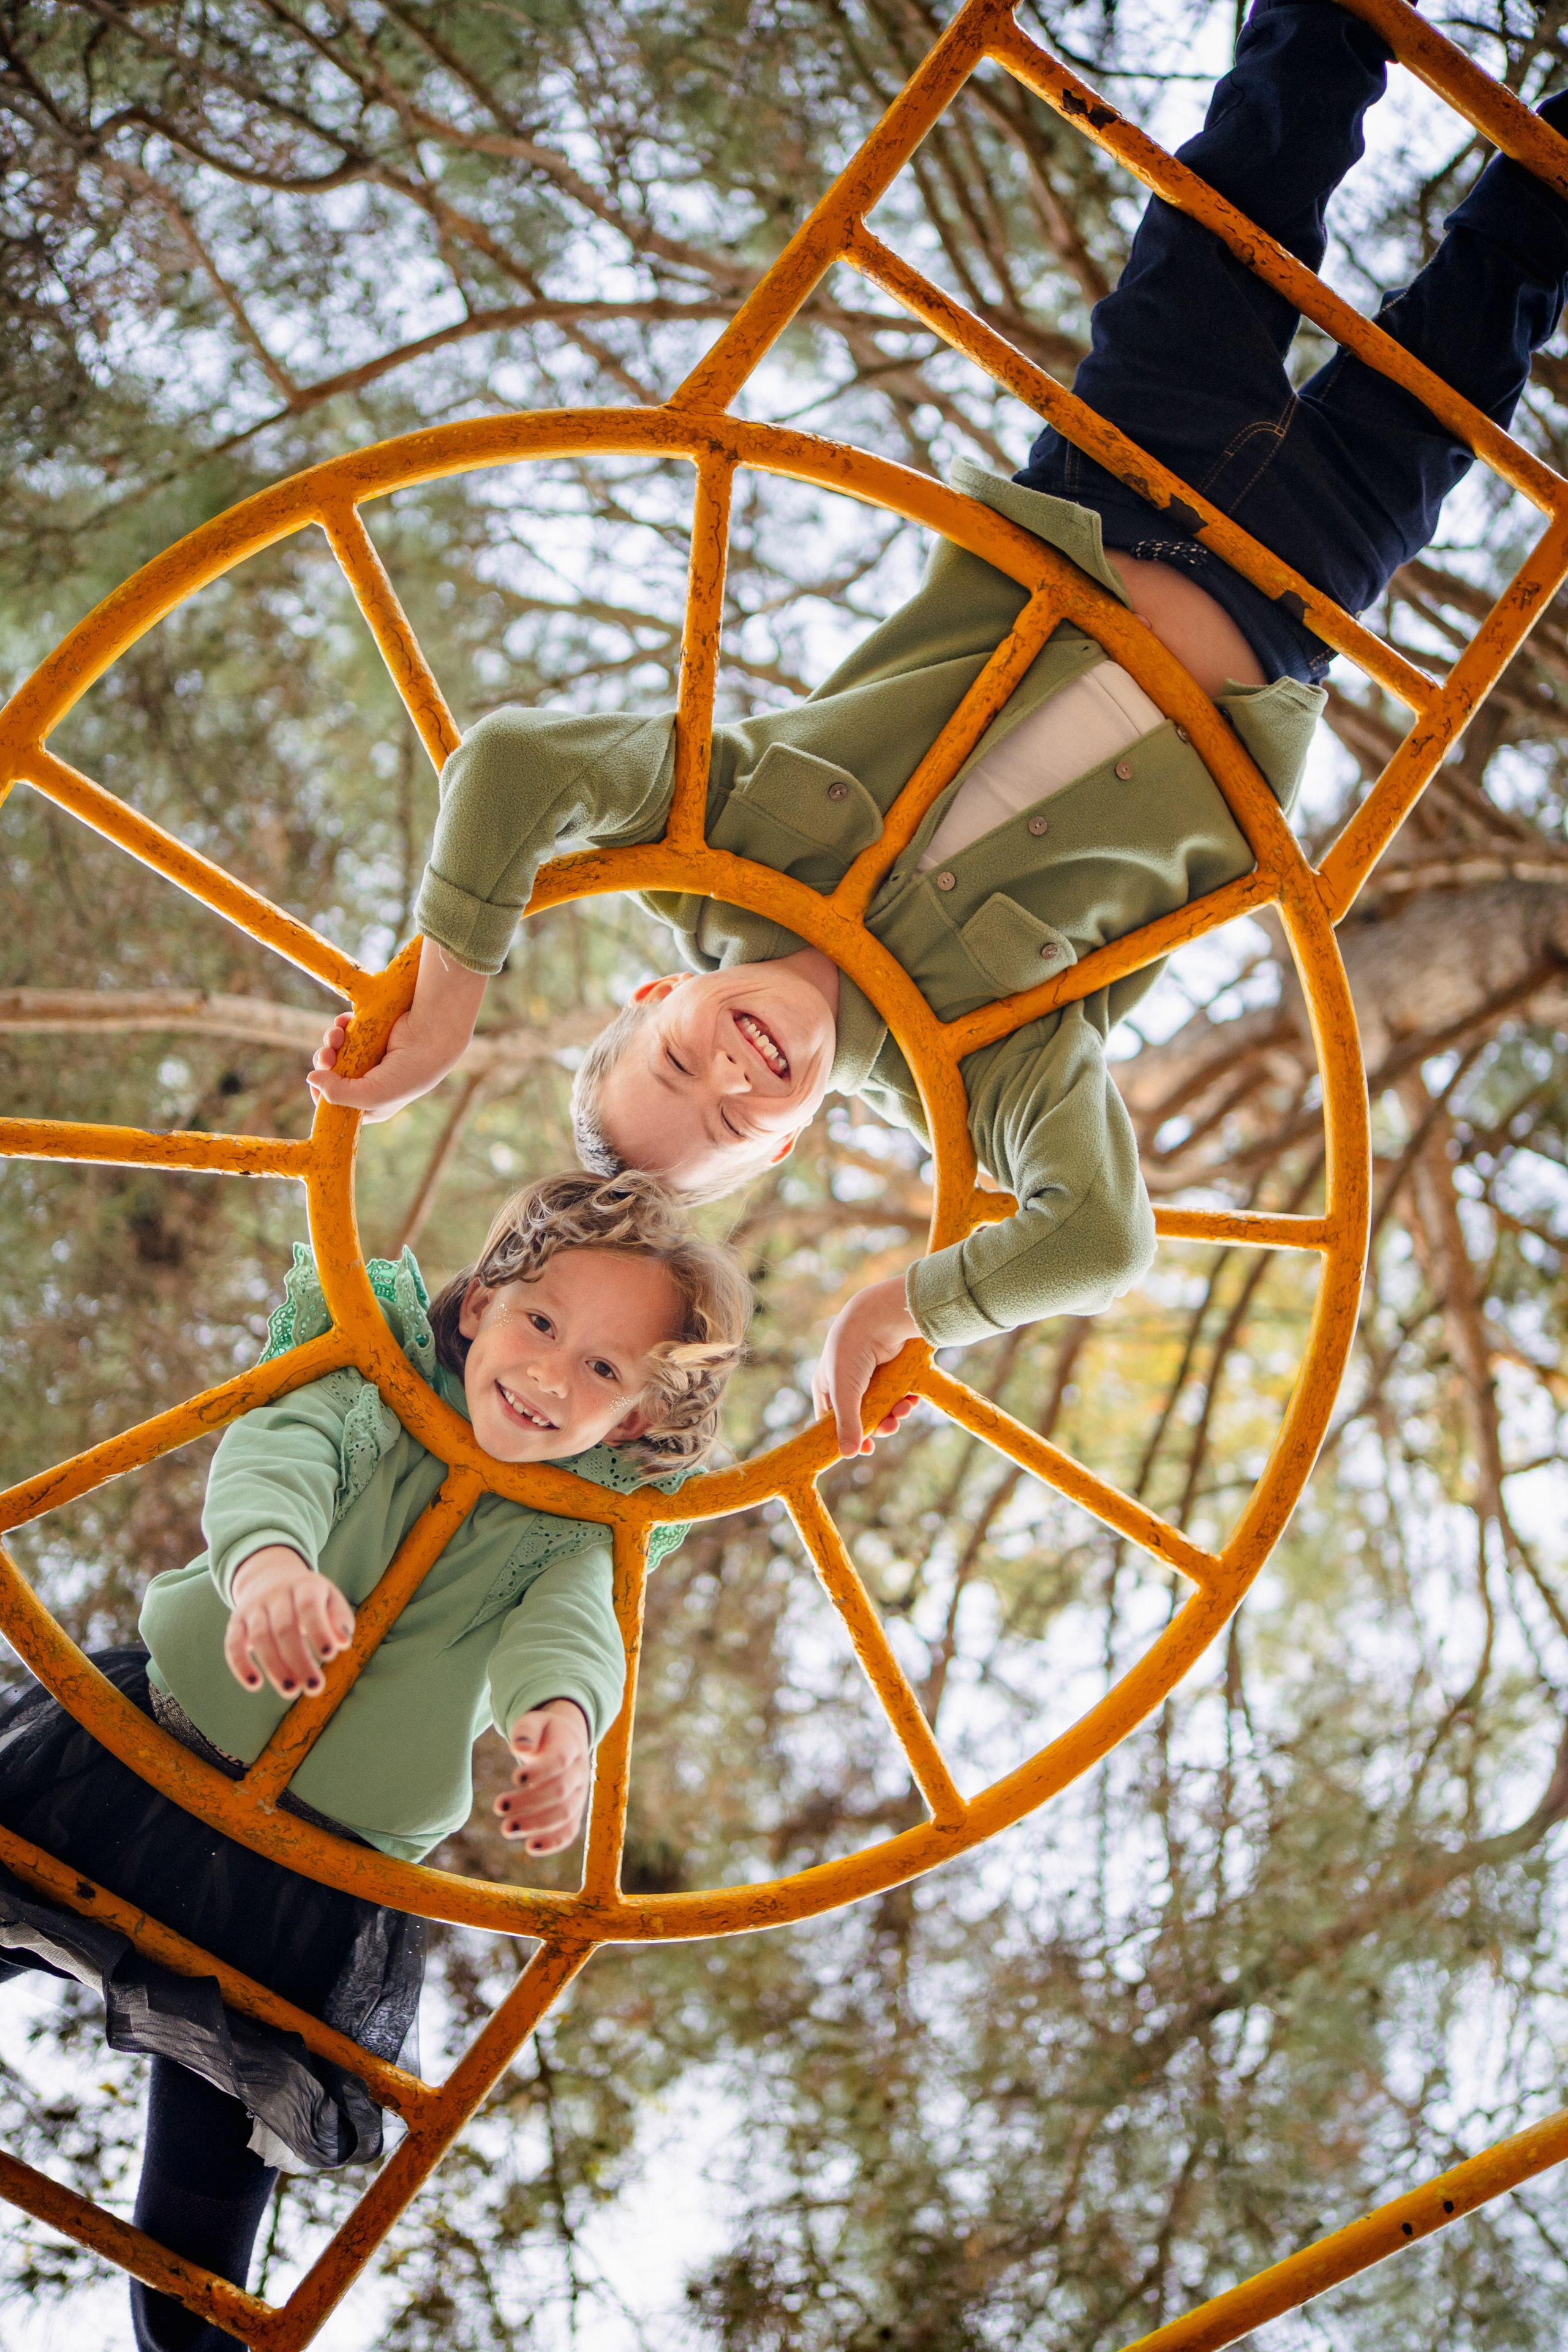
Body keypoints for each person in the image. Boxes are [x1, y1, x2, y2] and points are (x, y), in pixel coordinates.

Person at [308, 0, 1568, 1458]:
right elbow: (1099, 1238)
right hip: (1292, 595)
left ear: (656, 997)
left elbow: (515, 764)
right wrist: (909, 1302)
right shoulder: (968, 1073)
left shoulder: (712, 845)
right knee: (1494, 299)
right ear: (790, 1141)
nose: (732, 1079)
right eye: (731, 1126)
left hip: (1107, 475)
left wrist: (452, 985)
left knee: (1256, 160)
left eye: (677, 1067)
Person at [0, 1172, 748, 2352]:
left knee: (199, 2222)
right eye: (541, 1322)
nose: (552, 1375)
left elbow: (573, 1630)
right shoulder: (376, 1394)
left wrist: (561, 1721)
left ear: (633, 1421)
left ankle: (189, 2341)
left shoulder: (576, 1528)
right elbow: (277, 1457)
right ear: (479, 1305)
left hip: (306, 1879)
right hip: (142, 1760)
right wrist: (270, 1567)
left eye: (604, 1369)